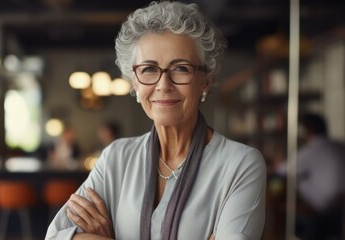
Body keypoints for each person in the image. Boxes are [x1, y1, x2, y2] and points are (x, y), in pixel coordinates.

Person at [45, 2, 266, 239]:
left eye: (181, 68)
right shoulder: (116, 157)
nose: (163, 85)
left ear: (206, 80)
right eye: (149, 69)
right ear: (134, 82)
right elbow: (56, 236)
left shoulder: (241, 165)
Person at [283, 112, 345, 240]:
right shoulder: (340, 146)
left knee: (296, 179)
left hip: (325, 209)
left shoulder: (312, 150)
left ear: (307, 131)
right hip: (340, 208)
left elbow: (284, 170)